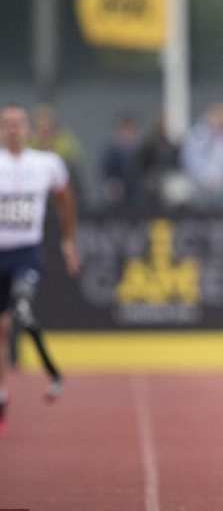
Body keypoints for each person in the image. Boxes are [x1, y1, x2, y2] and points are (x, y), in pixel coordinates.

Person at [0, 103, 80, 436]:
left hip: (26, 253)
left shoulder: (46, 164)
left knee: (21, 306)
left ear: (28, 129)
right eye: (7, 124)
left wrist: (68, 241)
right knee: (2, 331)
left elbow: (65, 199)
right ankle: (2, 396)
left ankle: (53, 372)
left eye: (19, 123)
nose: (14, 129)